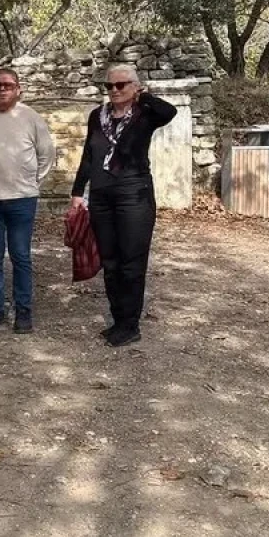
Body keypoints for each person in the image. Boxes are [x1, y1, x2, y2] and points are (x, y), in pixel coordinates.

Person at [71, 64, 177, 347]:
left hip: (134, 194)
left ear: (135, 86)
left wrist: (143, 97)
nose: (115, 91)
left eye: (121, 85)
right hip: (103, 196)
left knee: (131, 262)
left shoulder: (145, 114)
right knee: (110, 261)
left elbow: (169, 112)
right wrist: (78, 191)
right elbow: (89, 154)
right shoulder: (98, 115)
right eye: (110, 86)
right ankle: (118, 319)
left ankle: (130, 325)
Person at [0, 67, 56, 335]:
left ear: (19, 89)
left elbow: (46, 155)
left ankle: (23, 310)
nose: (2, 89)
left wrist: (30, 183)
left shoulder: (32, 118)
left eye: (8, 85)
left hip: (22, 200)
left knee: (20, 256)